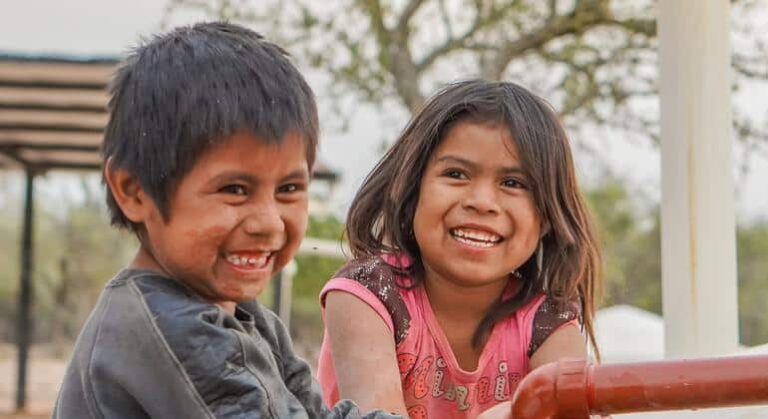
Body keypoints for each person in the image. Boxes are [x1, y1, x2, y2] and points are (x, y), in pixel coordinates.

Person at [53, 22, 402, 419]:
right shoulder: (172, 330)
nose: (269, 223)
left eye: (288, 189)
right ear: (134, 192)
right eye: (235, 189)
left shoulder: (247, 317)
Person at [317, 79, 602, 418]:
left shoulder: (546, 319)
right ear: (411, 190)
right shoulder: (368, 293)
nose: (481, 202)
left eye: (513, 183)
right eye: (456, 174)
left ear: (547, 217)